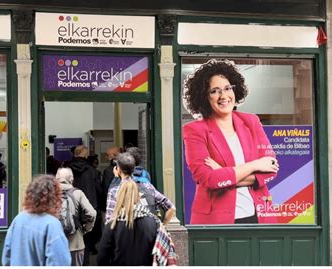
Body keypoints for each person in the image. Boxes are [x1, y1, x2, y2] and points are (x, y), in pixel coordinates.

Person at [182, 59, 279, 225]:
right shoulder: (194, 130)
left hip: (260, 215)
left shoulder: (251, 121)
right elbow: (209, 179)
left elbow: (271, 168)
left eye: (227, 88)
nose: (224, 96)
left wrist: (223, 172)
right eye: (215, 91)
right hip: (216, 220)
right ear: (204, 97)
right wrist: (255, 165)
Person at [2, 174, 71, 266]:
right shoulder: (52, 225)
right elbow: (59, 262)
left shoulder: (18, 219)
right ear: (55, 197)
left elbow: (6, 257)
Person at [105, 153, 175, 225]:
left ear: (118, 170)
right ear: (133, 169)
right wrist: (162, 227)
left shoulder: (115, 190)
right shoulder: (148, 186)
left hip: (126, 234)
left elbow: (109, 220)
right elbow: (171, 208)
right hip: (148, 233)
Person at [96, 181, 157, 265]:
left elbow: (102, 258)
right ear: (138, 196)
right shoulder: (154, 222)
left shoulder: (112, 224)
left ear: (119, 197)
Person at [68, 145, 102, 264]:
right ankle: (84, 263)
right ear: (85, 155)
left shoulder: (67, 170)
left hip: (70, 211)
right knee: (86, 243)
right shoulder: (92, 171)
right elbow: (99, 191)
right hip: (88, 210)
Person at [55, 168, 97, 266]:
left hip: (55, 242)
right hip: (76, 243)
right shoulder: (78, 193)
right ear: (72, 179)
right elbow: (92, 213)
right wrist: (86, 229)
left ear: (56, 179)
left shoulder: (50, 193)